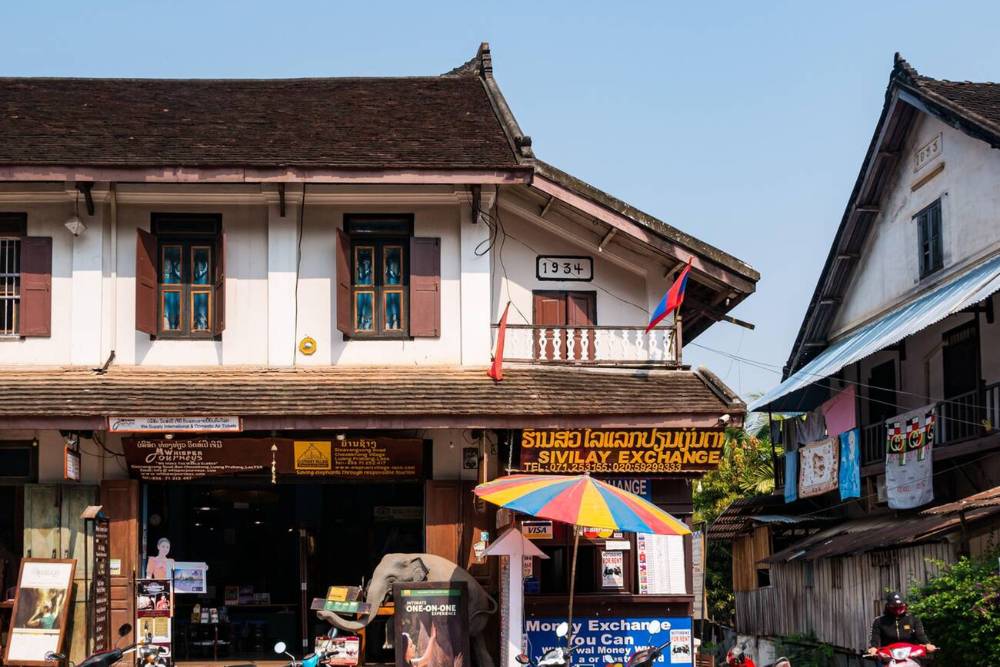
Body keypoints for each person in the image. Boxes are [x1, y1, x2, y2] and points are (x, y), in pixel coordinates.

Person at [866, 591, 937, 658]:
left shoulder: (914, 619)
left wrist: (927, 644)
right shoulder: (879, 621)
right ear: (887, 606)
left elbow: (920, 635)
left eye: (901, 605)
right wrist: (873, 648)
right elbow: (875, 637)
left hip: (911, 655)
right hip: (887, 656)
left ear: (905, 605)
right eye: (894, 606)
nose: (898, 608)